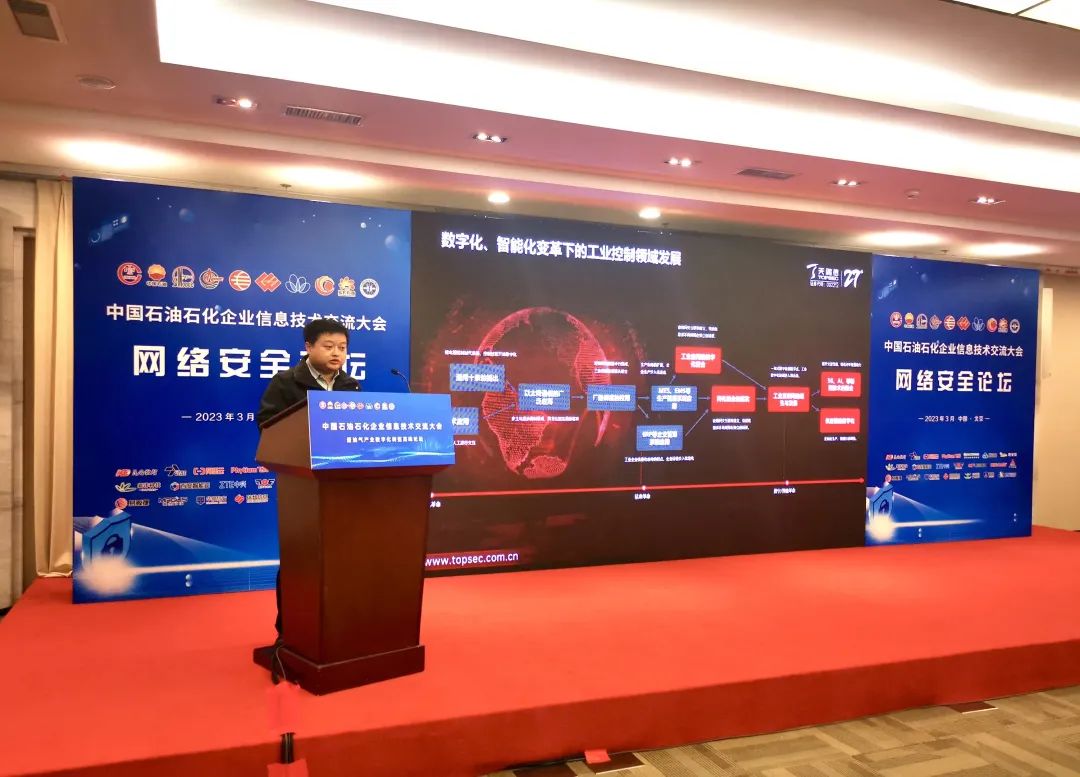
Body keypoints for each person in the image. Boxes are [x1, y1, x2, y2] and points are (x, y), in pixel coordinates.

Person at [256, 318, 361, 637]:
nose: (337, 353)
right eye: (328, 346)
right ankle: (290, 631)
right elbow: (268, 425)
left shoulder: (351, 385)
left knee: (342, 558)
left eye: (342, 347)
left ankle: (336, 627)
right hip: (301, 484)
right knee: (299, 558)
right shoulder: (285, 382)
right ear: (309, 347)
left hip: (342, 484)